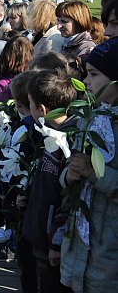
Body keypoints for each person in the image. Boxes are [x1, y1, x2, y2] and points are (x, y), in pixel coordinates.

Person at [60, 37, 118, 293]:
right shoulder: (91, 119)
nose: (85, 82)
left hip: (109, 259)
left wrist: (94, 174)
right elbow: (73, 166)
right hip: (80, 253)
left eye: (94, 74)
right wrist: (68, 175)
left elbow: (93, 172)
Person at [24, 71, 77, 293]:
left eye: (30, 104)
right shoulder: (50, 134)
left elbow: (69, 198)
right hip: (41, 234)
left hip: (51, 243)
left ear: (42, 110)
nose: (29, 110)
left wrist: (56, 243)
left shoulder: (69, 140)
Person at [55, 0, 95, 65]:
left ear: (79, 21)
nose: (58, 26)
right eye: (58, 20)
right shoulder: (69, 42)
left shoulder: (86, 49)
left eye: (64, 21)